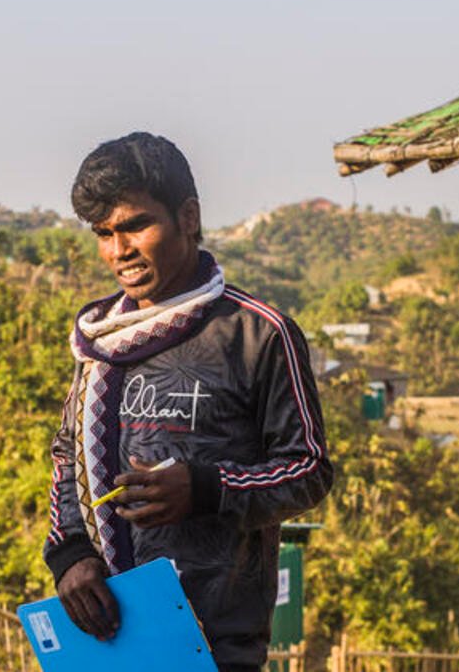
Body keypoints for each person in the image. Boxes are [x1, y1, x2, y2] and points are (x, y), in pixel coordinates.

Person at [44, 132, 333, 672]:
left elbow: (309, 470)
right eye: (103, 233)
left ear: (189, 216)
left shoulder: (258, 335)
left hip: (215, 647)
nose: (118, 250)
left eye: (135, 226)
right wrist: (71, 556)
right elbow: (67, 457)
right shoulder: (101, 342)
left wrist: (207, 489)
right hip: (109, 641)